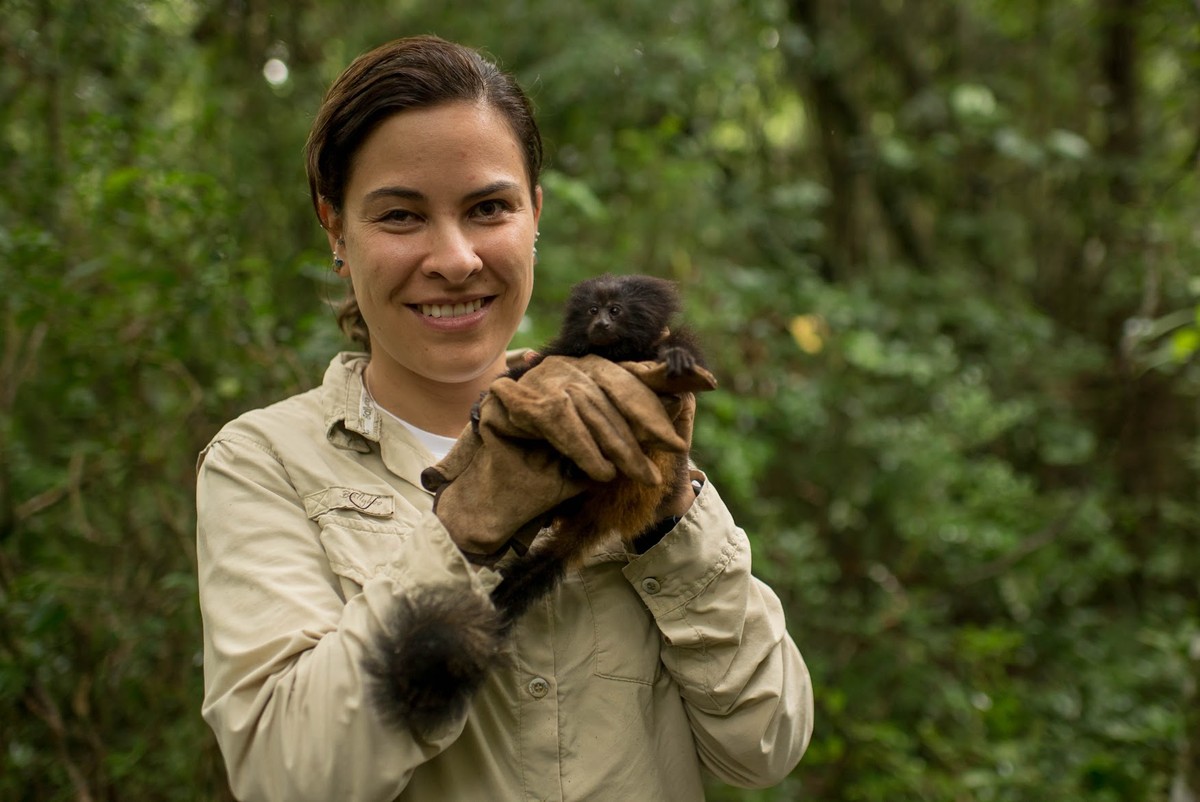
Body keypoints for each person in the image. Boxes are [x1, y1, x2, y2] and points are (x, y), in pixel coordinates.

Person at [195, 34, 813, 802]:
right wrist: (465, 528)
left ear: (535, 215)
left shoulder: (617, 416)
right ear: (336, 231)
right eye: (400, 215)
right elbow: (286, 777)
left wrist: (667, 520)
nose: (455, 259)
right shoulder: (267, 463)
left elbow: (766, 743)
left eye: (488, 208)